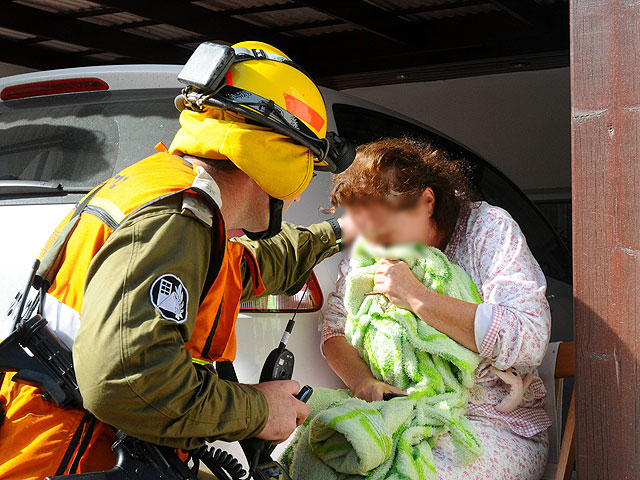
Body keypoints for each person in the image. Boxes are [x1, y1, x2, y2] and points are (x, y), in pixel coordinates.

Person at [0, 41, 353, 479]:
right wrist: (260, 409)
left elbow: (239, 268)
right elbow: (128, 382)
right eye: (307, 161)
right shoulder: (177, 220)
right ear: (278, 156)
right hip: (73, 463)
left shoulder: (171, 194)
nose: (301, 188)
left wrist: (340, 233)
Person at [321, 138, 552, 479]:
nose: (376, 243)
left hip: (491, 420)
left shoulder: (487, 230)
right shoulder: (372, 247)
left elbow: (529, 337)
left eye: (385, 226)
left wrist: (418, 298)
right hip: (402, 411)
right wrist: (363, 382)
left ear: (427, 201)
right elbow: (333, 329)